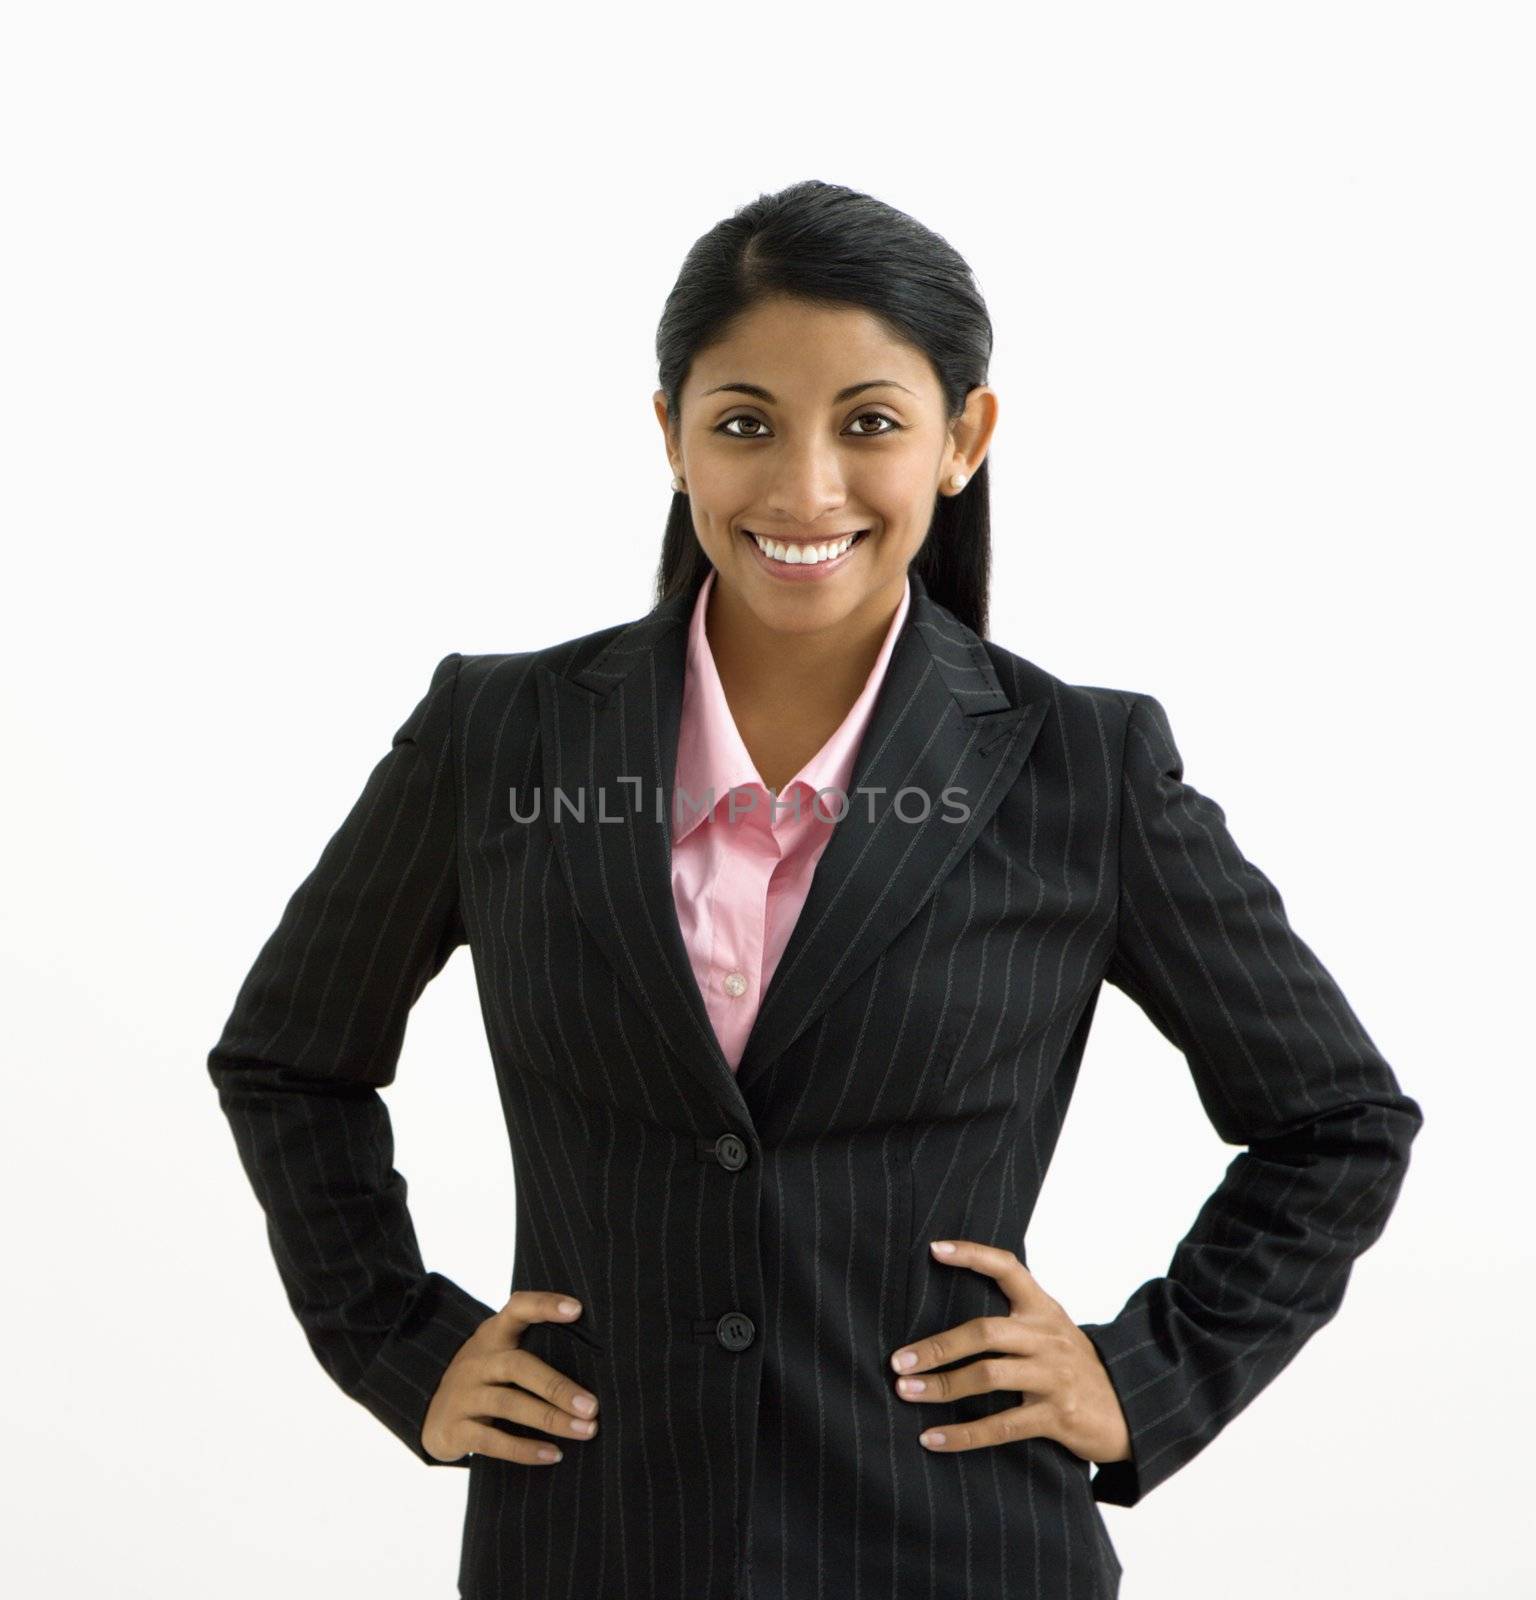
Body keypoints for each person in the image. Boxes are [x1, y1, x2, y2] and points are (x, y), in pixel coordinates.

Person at [206, 178, 1424, 1600]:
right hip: (593, 1545)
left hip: (962, 1552)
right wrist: (400, 1345)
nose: (802, 490)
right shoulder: (501, 738)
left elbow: (1337, 1119)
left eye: (869, 423)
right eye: (743, 424)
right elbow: (289, 1062)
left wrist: (1143, 1378)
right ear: (668, 434)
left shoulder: (1084, 768)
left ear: (962, 438)